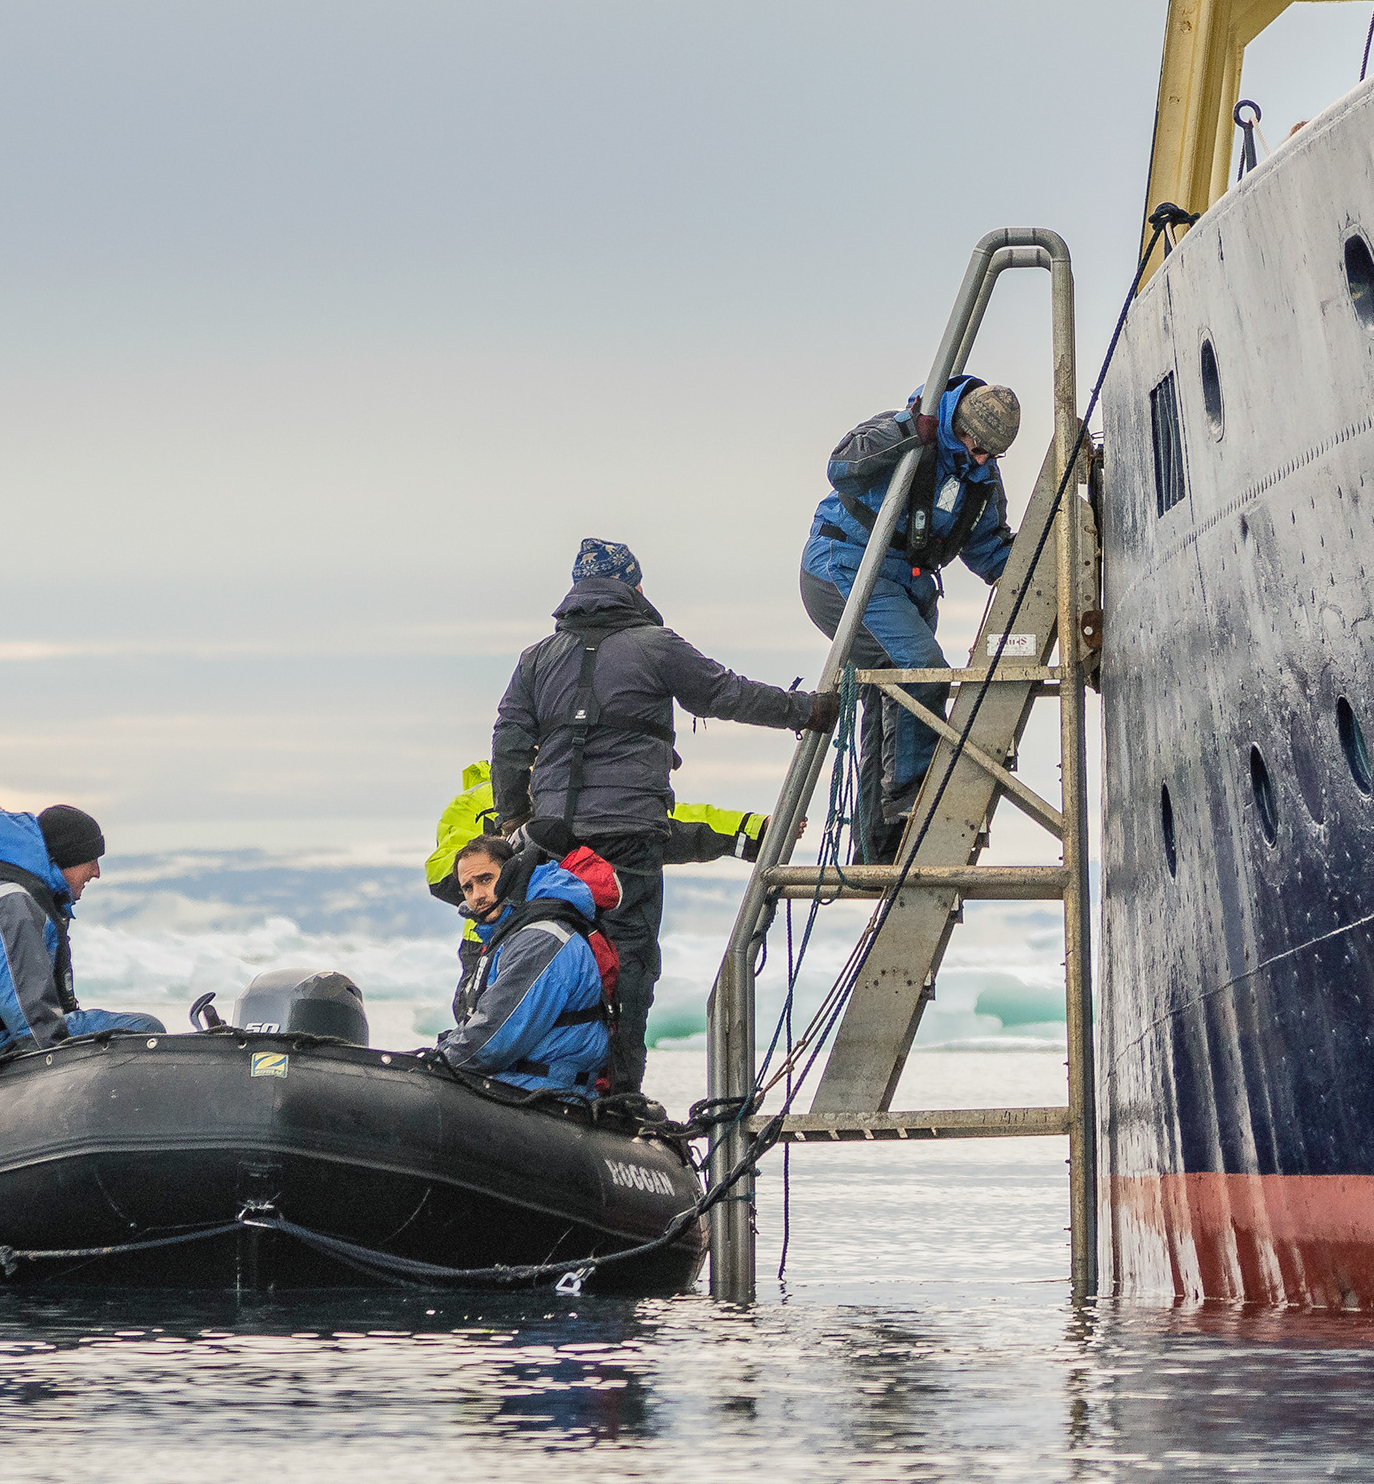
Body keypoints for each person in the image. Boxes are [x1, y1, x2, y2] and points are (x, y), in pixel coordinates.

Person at [491, 539, 837, 1106]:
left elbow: (508, 744)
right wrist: (808, 711)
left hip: (553, 843)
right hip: (627, 838)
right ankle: (617, 1098)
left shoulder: (535, 659)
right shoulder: (656, 646)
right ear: (633, 586)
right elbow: (725, 694)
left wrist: (518, 820)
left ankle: (540, 1086)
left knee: (547, 950)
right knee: (628, 965)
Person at [801, 377, 1021, 863]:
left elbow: (989, 549)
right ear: (958, 426)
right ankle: (910, 796)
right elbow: (842, 467)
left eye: (992, 454)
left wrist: (1042, 567)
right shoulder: (905, 430)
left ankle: (878, 846)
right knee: (921, 669)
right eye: (977, 447)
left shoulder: (980, 478)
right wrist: (905, 433)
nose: (982, 459)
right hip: (846, 568)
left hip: (907, 588)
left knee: (891, 695)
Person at [421, 762, 768, 1033]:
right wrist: (508, 858)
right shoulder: (474, 802)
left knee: (593, 1034)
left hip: (580, 939)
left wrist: (754, 828)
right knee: (486, 1029)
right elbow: (440, 873)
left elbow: (675, 820)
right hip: (492, 943)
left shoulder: (591, 788)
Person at [0, 803, 167, 1064]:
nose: (96, 872)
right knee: (144, 1028)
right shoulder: (11, 903)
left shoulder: (13, 894)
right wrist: (56, 1066)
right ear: (66, 858)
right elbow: (28, 1012)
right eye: (91, 860)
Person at [434, 835, 621, 1099]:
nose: (477, 895)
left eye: (486, 879)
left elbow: (497, 1037)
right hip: (518, 1085)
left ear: (512, 873)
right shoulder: (513, 934)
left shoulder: (541, 938)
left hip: (543, 1094)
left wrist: (436, 1064)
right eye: (468, 887)